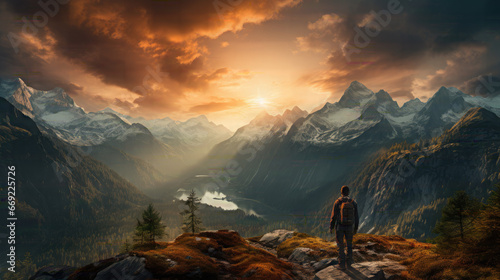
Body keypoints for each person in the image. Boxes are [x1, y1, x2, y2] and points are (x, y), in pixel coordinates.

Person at [330, 185, 359, 270]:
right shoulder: (353, 202)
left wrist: (331, 226)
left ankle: (341, 265)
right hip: (350, 227)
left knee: (340, 245)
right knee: (349, 245)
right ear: (348, 192)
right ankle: (349, 264)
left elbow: (334, 216)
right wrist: (355, 228)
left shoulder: (338, 202)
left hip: (340, 227)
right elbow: (356, 217)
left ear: (341, 192)